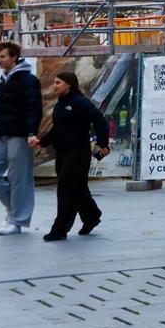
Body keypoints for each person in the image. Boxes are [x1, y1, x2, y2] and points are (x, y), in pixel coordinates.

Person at [30, 72, 110, 241]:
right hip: (63, 152)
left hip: (78, 153)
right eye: (54, 82)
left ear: (69, 85)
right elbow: (58, 129)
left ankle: (59, 229)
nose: (54, 85)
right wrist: (42, 142)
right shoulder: (61, 104)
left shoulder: (79, 102)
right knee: (77, 187)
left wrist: (103, 144)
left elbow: (99, 120)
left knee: (66, 189)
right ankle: (92, 216)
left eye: (58, 82)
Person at [0, 40, 42, 236]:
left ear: (14, 57)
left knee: (19, 179)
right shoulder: (7, 79)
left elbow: (34, 109)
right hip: (2, 133)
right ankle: (14, 210)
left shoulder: (28, 80)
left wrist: (31, 133)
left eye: (3, 56)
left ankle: (17, 220)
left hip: (20, 135)